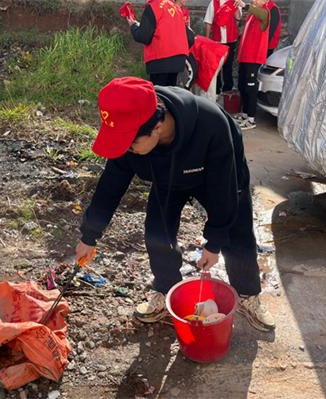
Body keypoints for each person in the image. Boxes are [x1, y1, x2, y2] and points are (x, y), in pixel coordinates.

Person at [74, 77, 275, 332]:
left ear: (157, 126)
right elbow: (110, 186)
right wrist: (89, 235)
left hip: (214, 173)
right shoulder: (131, 139)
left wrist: (213, 243)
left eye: (131, 144)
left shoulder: (210, 125)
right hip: (167, 178)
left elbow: (225, 192)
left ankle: (248, 294)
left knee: (237, 231)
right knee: (157, 232)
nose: (127, 150)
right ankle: (165, 289)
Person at [126, 0, 192, 87]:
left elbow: (143, 37)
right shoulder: (176, 7)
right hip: (178, 60)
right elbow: (190, 38)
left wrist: (133, 26)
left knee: (159, 95)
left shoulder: (153, 7)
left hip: (160, 59)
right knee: (170, 95)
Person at [234, 0, 270, 131]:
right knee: (242, 85)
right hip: (245, 56)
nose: (254, 0)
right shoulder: (252, 14)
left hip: (253, 58)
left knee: (250, 88)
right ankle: (244, 114)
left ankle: (251, 118)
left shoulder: (265, 13)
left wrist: (246, 6)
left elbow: (261, 14)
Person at [203, 0, 242, 94]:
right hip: (217, 40)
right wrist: (207, 40)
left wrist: (236, 6)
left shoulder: (234, 2)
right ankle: (217, 88)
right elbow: (208, 22)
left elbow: (238, 17)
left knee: (228, 65)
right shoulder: (214, 3)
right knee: (216, 66)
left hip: (230, 40)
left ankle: (227, 88)